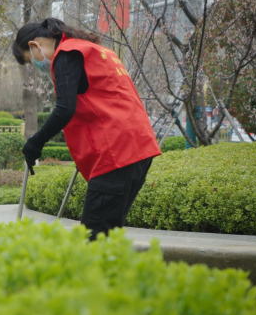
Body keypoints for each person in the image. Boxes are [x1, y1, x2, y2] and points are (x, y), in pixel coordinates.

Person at [12, 18, 161, 240]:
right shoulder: (96, 50)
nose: (36, 64)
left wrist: (36, 142)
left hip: (116, 155)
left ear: (34, 46)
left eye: (29, 59)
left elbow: (64, 109)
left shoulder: (66, 54)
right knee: (107, 236)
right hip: (138, 149)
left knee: (94, 240)